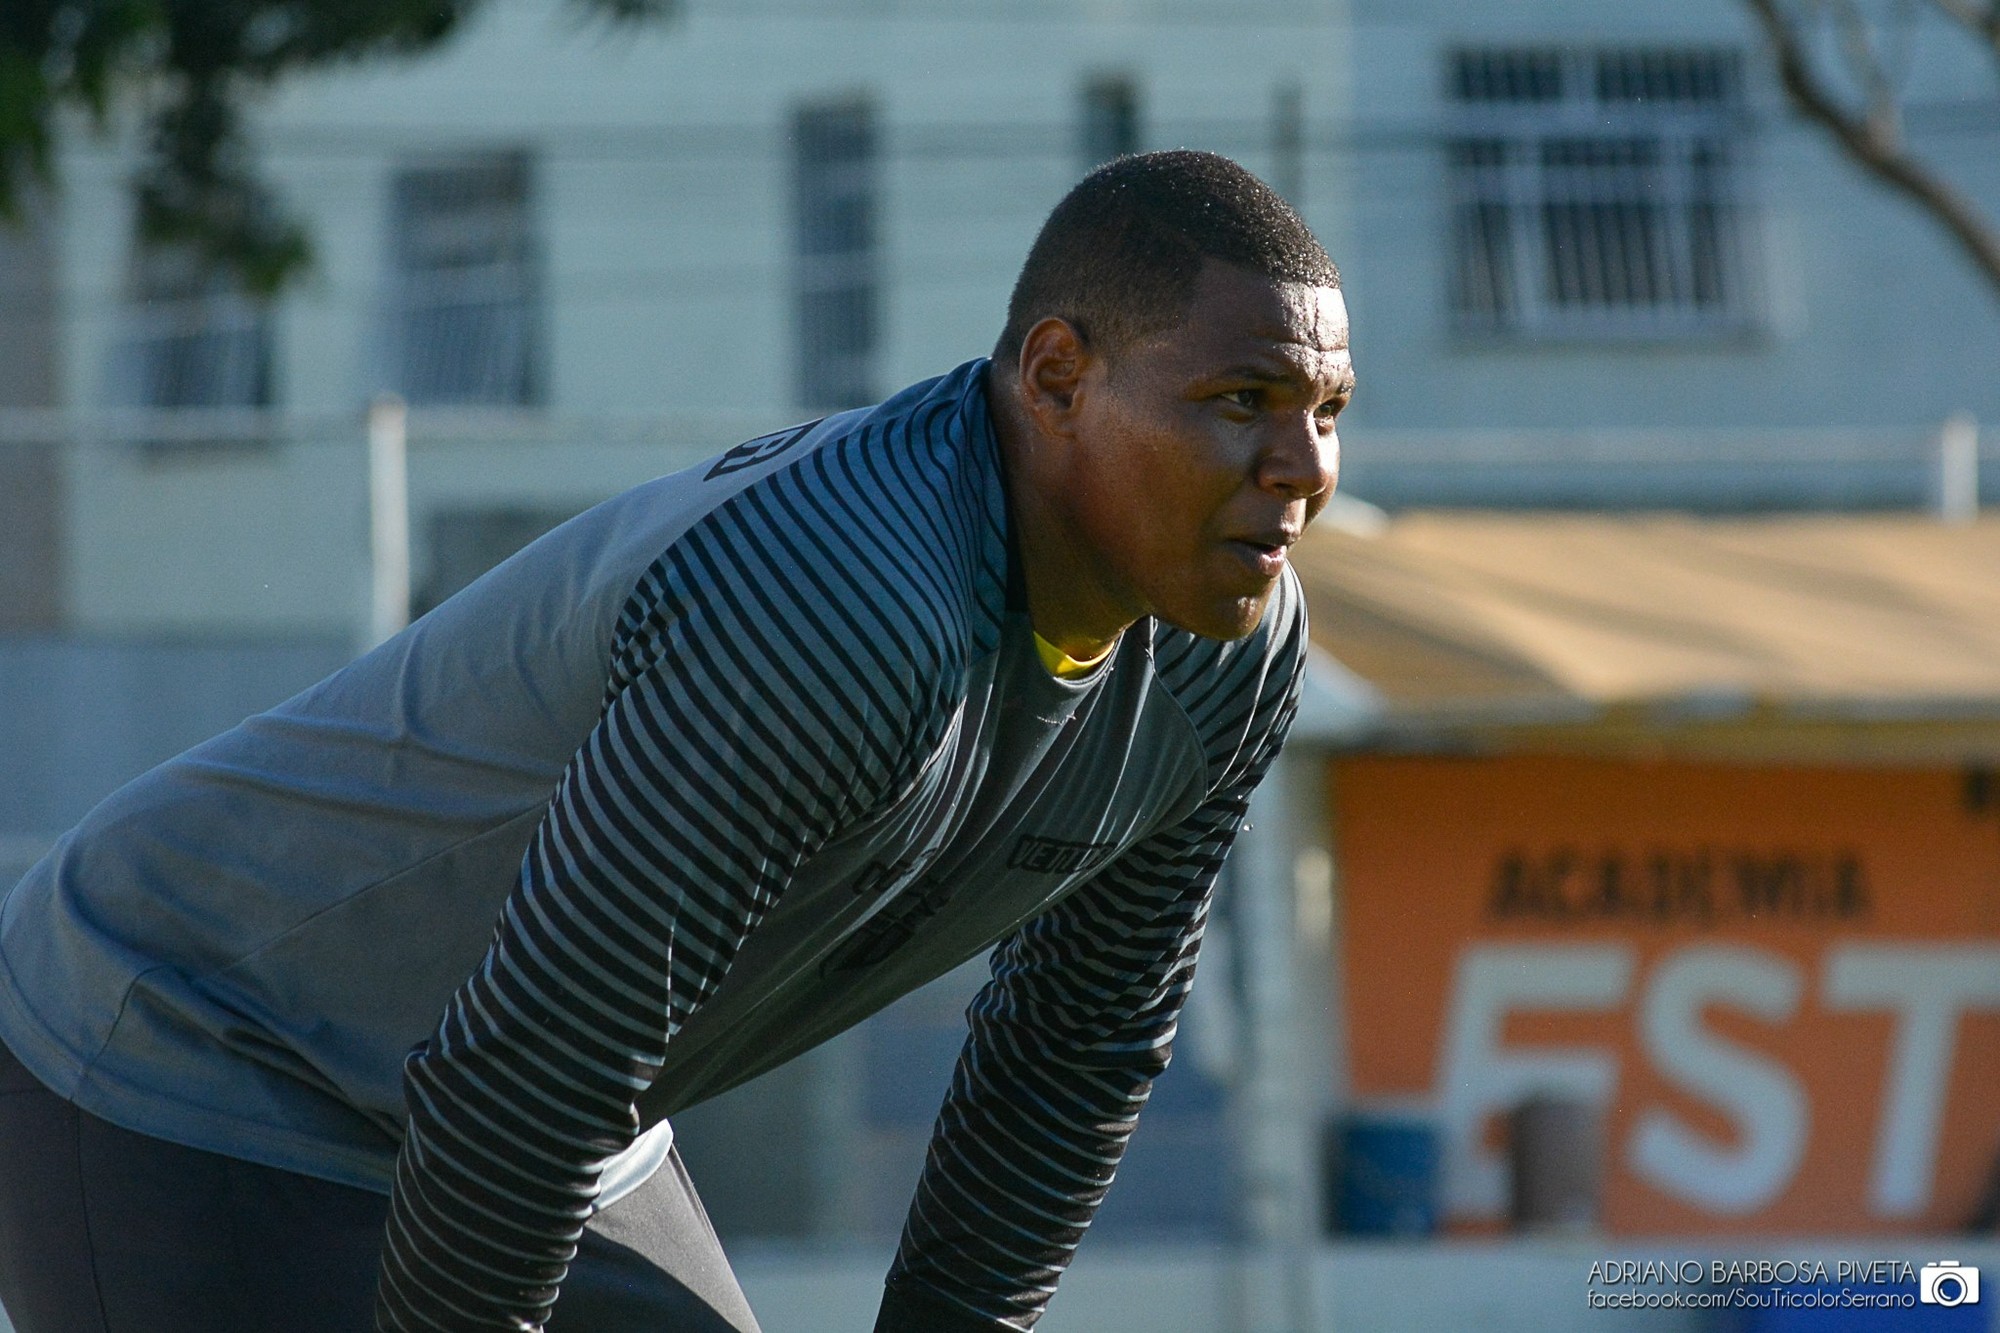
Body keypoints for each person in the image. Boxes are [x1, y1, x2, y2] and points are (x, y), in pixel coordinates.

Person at [0, 148, 1353, 1332]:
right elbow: (525, 1075)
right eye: (1242, 398)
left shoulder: (1229, 654)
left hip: (551, 1110)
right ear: (1058, 376)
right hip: (189, 1050)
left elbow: (1071, 1052)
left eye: (1328, 409)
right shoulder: (840, 608)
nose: (1302, 466)